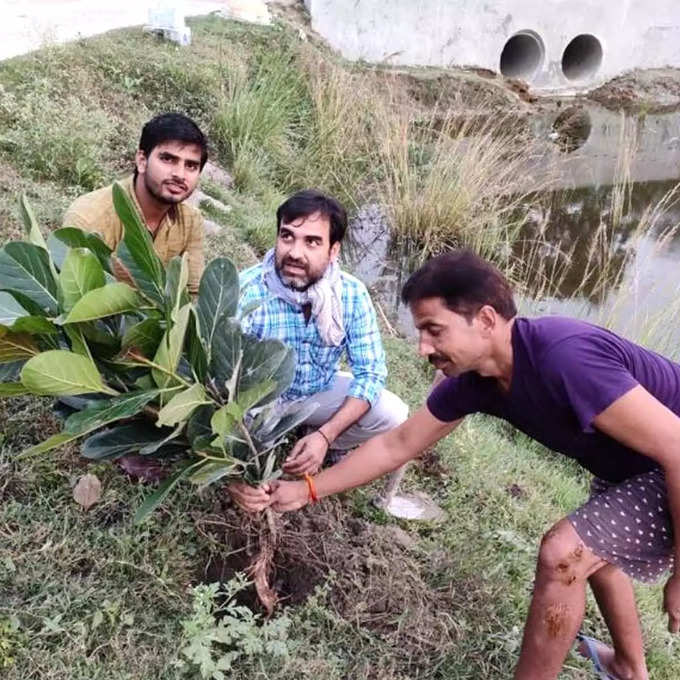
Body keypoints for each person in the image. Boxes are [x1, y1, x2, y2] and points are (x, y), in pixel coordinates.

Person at [268, 249, 680, 680]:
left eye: (434, 330)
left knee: (563, 554)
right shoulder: (474, 381)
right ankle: (630, 668)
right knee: (599, 550)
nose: (423, 347)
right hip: (634, 462)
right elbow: (398, 444)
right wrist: (306, 489)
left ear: (485, 320)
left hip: (670, 454)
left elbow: (676, 447)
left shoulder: (564, 357)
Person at [227, 189, 408, 511]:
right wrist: (233, 474)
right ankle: (270, 445)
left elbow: (370, 373)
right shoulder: (247, 291)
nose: (295, 252)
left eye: (312, 242)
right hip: (257, 401)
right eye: (287, 236)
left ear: (333, 249)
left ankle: (321, 439)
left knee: (393, 415)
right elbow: (221, 384)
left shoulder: (350, 294)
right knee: (242, 452)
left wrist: (326, 436)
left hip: (316, 391)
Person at [63, 112, 208, 294]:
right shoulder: (89, 218)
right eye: (168, 159)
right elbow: (71, 295)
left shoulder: (191, 221)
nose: (180, 174)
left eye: (191, 166)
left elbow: (194, 293)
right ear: (142, 161)